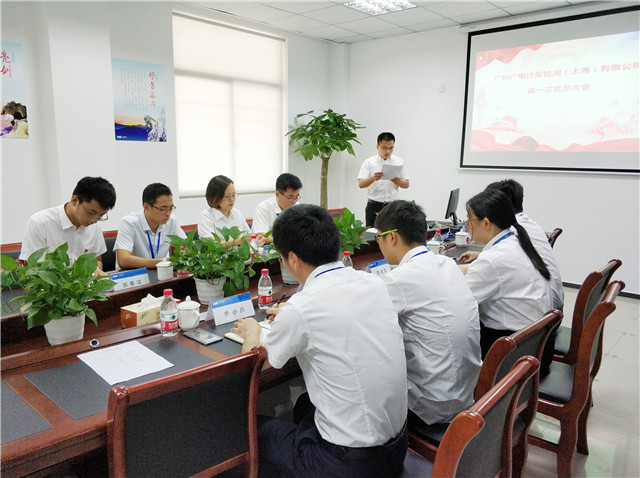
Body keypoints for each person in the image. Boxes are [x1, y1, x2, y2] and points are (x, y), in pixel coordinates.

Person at [231, 204, 408, 478]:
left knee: (251, 429)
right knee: (304, 404)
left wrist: (253, 331)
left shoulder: (302, 308)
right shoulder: (372, 283)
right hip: (395, 449)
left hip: (349, 465)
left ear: (292, 259)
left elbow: (250, 371)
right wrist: (292, 314)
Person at [374, 200, 481, 427]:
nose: (379, 244)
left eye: (378, 238)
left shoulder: (400, 279)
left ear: (392, 237)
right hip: (465, 395)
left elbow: (361, 317)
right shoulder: (446, 264)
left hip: (431, 407)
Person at [460, 189, 554, 374]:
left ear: (485, 223)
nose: (467, 225)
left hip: (513, 354)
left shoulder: (494, 260)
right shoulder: (515, 241)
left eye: (469, 221)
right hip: (536, 345)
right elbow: (493, 272)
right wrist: (459, 268)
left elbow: (459, 300)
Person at [19, 176, 116, 275]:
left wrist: (95, 270)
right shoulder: (40, 223)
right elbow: (33, 271)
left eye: (101, 216)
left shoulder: (94, 225)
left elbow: (97, 261)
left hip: (83, 284)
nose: (94, 220)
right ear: (74, 201)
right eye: (91, 213)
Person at [114, 183, 186, 269]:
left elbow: (186, 246)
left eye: (170, 208)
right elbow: (123, 260)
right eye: (163, 209)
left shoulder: (172, 221)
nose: (168, 213)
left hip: (160, 272)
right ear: (146, 207)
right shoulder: (129, 223)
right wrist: (163, 262)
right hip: (136, 274)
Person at [357, 132, 410, 227]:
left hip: (393, 206)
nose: (388, 151)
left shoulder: (399, 162)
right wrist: (373, 178)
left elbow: (406, 184)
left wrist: (397, 181)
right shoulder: (369, 162)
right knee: (372, 233)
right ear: (378, 146)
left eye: (391, 148)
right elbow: (361, 184)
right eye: (384, 148)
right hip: (374, 205)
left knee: (393, 232)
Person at [251, 173, 302, 247]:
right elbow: (262, 237)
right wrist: (290, 239)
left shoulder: (298, 207)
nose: (294, 201)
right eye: (290, 197)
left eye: (296, 197)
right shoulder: (263, 208)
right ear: (277, 194)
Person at [198, 175, 250, 246]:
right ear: (215, 197)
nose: (231, 200)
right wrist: (236, 241)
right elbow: (211, 245)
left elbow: (249, 236)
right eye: (227, 196)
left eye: (233, 195)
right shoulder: (206, 216)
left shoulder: (237, 214)